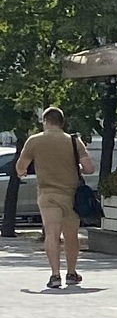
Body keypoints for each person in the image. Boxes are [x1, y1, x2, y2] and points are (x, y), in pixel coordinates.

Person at [14, 105, 92, 291]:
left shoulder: (34, 141)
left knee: (52, 234)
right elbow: (89, 169)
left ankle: (55, 275)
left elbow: (20, 168)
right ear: (62, 122)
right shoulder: (74, 141)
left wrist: (23, 172)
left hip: (48, 195)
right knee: (71, 235)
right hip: (71, 196)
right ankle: (72, 273)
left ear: (45, 121)